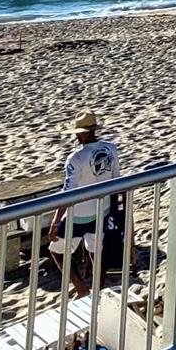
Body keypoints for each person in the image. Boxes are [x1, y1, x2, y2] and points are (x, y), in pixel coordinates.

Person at [51, 111, 121, 296]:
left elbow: (68, 192)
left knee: (57, 250)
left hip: (79, 214)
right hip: (102, 209)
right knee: (97, 250)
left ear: (81, 133)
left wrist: (56, 220)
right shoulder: (111, 149)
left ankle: (81, 287)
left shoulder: (76, 158)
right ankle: (98, 289)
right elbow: (116, 181)